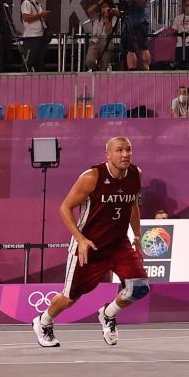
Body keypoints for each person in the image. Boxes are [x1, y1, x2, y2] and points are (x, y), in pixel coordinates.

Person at [33, 137, 148, 348]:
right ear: (108, 154)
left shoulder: (135, 174)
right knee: (70, 298)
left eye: (128, 150)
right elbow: (64, 208)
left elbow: (132, 204)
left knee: (139, 287)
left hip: (118, 244)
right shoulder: (92, 176)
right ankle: (43, 321)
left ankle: (107, 314)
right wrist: (81, 239)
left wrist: (138, 237)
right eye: (119, 150)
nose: (125, 154)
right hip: (90, 246)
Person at [118, 0, 151, 71]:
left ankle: (146, 68)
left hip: (141, 20)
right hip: (129, 21)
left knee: (143, 47)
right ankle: (131, 70)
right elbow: (124, 1)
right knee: (130, 49)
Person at [20, 0, 51, 72]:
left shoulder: (38, 6)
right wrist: (40, 15)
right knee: (28, 61)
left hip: (40, 36)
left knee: (39, 61)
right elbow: (26, 18)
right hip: (31, 37)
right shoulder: (26, 3)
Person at [83, 0, 116, 72]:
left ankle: (100, 75)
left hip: (106, 40)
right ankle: (95, 69)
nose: (104, 8)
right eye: (103, 7)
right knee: (89, 61)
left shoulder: (113, 18)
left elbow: (108, 31)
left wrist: (108, 16)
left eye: (106, 7)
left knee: (104, 66)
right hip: (95, 40)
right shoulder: (96, 16)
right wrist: (98, 4)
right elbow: (89, 10)